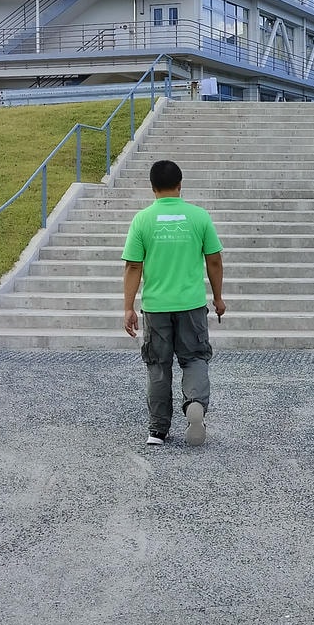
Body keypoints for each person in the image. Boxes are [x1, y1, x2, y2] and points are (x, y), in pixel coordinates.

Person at [123, 160, 225, 447]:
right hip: (191, 304)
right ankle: (195, 404)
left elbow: (133, 266)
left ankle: (157, 430)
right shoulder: (199, 217)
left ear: (152, 187)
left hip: (156, 306)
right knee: (194, 358)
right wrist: (217, 298)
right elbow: (214, 261)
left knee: (158, 364)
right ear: (180, 185)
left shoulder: (142, 220)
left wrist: (128, 307)